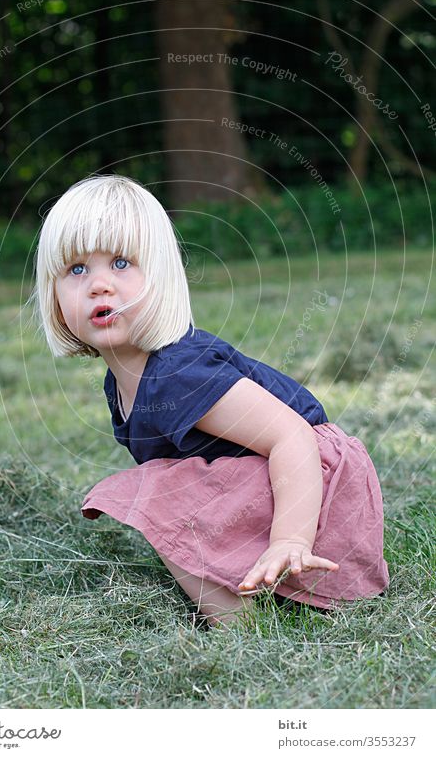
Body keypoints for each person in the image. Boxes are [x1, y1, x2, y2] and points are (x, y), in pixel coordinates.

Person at [33, 174, 389, 628]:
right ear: (54, 296)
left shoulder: (179, 371)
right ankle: (251, 594)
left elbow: (293, 436)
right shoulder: (120, 383)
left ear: (160, 277)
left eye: (121, 263)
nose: (99, 285)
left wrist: (289, 540)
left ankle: (237, 624)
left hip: (317, 489)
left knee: (145, 491)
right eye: (76, 270)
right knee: (159, 484)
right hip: (274, 484)